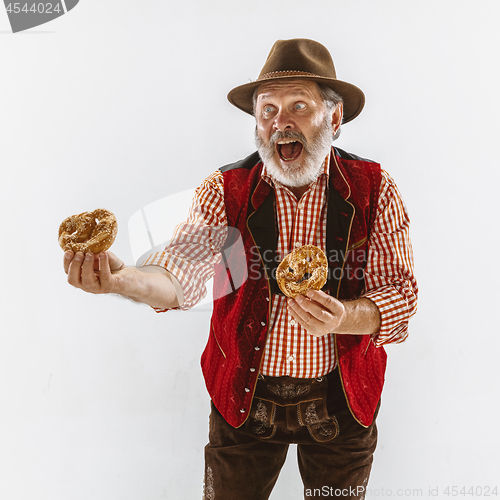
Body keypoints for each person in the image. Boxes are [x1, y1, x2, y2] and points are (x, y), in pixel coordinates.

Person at [64, 38, 418, 500]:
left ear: (334, 119)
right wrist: (120, 279)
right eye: (267, 110)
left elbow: (401, 295)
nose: (280, 123)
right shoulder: (225, 189)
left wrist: (345, 317)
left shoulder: (374, 188)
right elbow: (180, 272)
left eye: (298, 106)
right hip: (244, 402)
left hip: (342, 402)